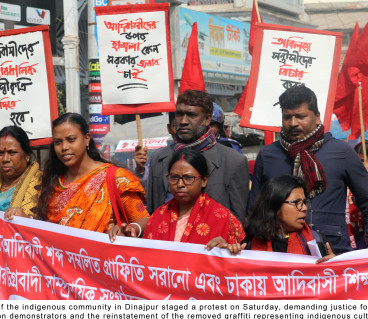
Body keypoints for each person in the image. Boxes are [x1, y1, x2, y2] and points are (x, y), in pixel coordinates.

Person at [248, 85, 368, 254]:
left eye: (300, 116)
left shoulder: (342, 152)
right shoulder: (268, 155)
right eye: (287, 117)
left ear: (317, 117)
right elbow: (254, 210)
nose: (293, 123)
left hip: (333, 255)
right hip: (279, 258)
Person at [37, 113, 149, 237]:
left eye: (71, 139)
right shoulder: (53, 182)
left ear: (87, 138)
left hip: (105, 254)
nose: (64, 147)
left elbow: (144, 219)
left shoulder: (116, 178)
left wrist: (131, 228)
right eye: (58, 142)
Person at [147, 90, 250, 221]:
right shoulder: (159, 158)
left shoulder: (233, 161)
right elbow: (150, 213)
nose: (183, 121)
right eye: (179, 114)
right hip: (164, 240)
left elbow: (238, 219)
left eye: (191, 115)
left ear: (207, 119)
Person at [144, 149, 245, 248]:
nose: (180, 184)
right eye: (174, 177)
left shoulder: (223, 218)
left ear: (204, 180)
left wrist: (227, 249)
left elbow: (234, 260)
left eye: (188, 178)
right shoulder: (158, 216)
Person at [227, 175, 335, 263]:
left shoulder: (317, 241)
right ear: (275, 206)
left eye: (304, 202)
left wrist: (335, 266)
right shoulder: (247, 245)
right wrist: (228, 255)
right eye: (296, 203)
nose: (304, 208)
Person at [0, 126, 41, 219]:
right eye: (0, 153)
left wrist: (26, 219)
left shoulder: (41, 183)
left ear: (27, 155)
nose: (5, 159)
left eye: (12, 152)